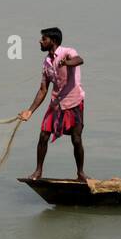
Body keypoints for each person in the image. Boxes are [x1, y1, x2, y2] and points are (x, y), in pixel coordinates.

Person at [19, 27, 85, 181]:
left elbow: (79, 60)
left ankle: (80, 173)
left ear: (53, 41)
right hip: (56, 104)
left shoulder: (68, 51)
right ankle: (38, 171)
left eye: (44, 39)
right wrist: (30, 111)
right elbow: (43, 89)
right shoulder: (46, 62)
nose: (40, 41)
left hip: (74, 101)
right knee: (43, 135)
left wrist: (67, 62)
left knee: (76, 139)